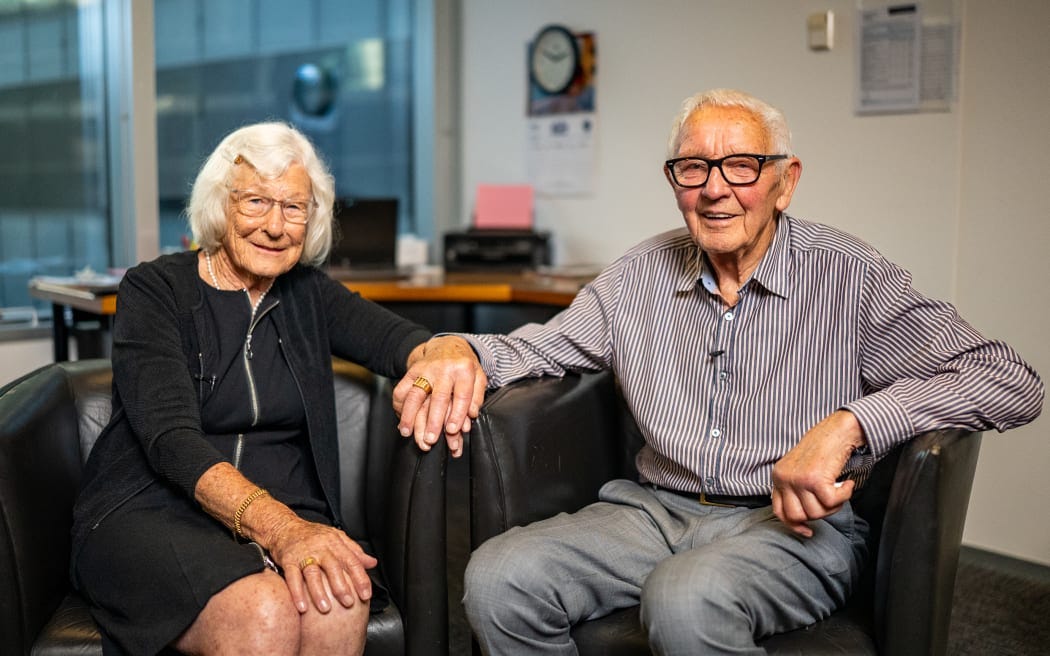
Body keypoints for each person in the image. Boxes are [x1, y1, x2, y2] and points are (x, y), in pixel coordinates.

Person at [393, 88, 1044, 654]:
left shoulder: (849, 275)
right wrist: (460, 348)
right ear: (674, 180)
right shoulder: (638, 275)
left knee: (686, 598)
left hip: (787, 526)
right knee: (497, 578)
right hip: (650, 510)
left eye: (740, 165)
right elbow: (542, 347)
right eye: (693, 167)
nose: (714, 188)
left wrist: (852, 422)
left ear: (784, 181)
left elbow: (1009, 379)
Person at [69, 122, 476, 655]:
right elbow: (171, 441)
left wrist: (451, 354)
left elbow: (403, 340)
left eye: (294, 208)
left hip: (289, 505)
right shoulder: (156, 289)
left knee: (339, 601)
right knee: (265, 612)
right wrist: (283, 531)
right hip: (153, 512)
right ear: (220, 204)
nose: (276, 226)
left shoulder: (308, 295)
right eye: (256, 201)